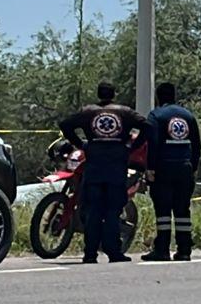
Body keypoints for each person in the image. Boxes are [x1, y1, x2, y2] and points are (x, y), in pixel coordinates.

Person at [59, 82, 149, 264]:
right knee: (112, 210)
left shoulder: (88, 111)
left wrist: (82, 144)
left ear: (98, 94)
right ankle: (113, 252)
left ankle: (90, 253)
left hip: (94, 165)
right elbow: (148, 126)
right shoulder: (125, 112)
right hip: (116, 165)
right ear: (114, 94)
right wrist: (132, 146)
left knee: (93, 210)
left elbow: (65, 124)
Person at [142, 81, 201, 262]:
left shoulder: (156, 116)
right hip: (184, 168)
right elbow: (197, 145)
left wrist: (150, 168)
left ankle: (162, 250)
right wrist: (193, 167)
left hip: (163, 168)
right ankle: (184, 250)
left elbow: (152, 143)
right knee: (182, 209)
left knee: (163, 210)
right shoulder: (188, 116)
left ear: (158, 97)